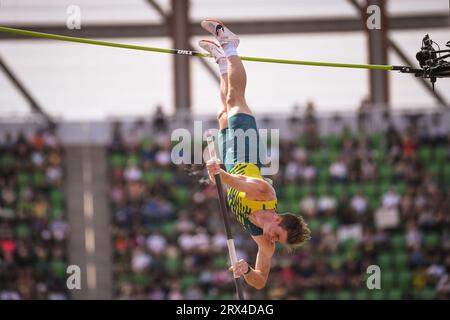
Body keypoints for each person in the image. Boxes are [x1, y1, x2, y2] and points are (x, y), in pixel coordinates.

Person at [199, 19, 311, 290]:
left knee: (223, 112)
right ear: (278, 218)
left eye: (276, 240)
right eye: (277, 235)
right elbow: (236, 183)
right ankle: (231, 46)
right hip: (245, 151)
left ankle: (223, 64)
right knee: (235, 99)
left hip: (230, 159)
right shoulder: (264, 194)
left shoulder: (263, 239)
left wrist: (246, 269)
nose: (272, 240)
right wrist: (218, 173)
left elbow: (260, 281)